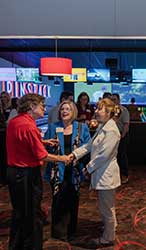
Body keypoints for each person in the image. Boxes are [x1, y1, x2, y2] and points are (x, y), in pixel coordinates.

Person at [6, 93, 69, 250]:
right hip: (26, 175)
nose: (44, 108)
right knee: (33, 214)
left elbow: (23, 140)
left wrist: (42, 141)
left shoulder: (15, 121)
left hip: (14, 173)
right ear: (32, 107)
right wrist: (63, 158)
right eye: (42, 106)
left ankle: (16, 245)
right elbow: (42, 155)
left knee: (19, 212)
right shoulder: (29, 126)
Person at [69, 98, 121, 248]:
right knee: (106, 205)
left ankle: (108, 238)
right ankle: (111, 227)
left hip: (106, 173)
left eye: (99, 109)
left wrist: (88, 168)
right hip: (102, 172)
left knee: (107, 207)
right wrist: (74, 154)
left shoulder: (111, 131)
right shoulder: (103, 127)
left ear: (109, 112)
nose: (96, 111)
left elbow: (104, 156)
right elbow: (89, 146)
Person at [44, 100, 91, 241]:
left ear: (73, 112)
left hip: (75, 170)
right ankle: (59, 231)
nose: (64, 111)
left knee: (73, 200)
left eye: (67, 109)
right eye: (62, 109)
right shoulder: (53, 127)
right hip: (57, 170)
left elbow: (88, 147)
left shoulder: (81, 128)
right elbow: (44, 148)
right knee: (58, 200)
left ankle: (71, 231)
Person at [111, 93, 130, 184]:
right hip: (111, 137)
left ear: (119, 100)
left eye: (114, 99)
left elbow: (126, 124)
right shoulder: (110, 111)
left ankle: (124, 175)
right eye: (112, 99)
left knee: (122, 156)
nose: (113, 101)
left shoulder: (124, 110)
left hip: (121, 135)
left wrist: (122, 136)